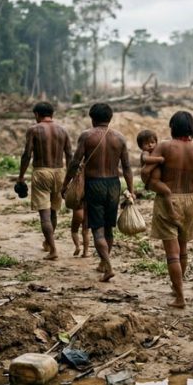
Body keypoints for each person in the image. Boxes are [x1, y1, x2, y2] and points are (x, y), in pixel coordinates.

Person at [63, 103, 135, 281]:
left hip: (94, 184)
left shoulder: (87, 136)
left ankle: (108, 266)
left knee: (97, 229)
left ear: (92, 118)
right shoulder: (120, 138)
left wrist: (66, 183)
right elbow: (126, 167)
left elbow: (74, 162)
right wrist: (131, 190)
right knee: (109, 227)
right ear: (110, 118)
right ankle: (104, 263)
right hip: (113, 184)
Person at [146, 111, 193, 309]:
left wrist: (150, 181)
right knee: (182, 250)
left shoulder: (164, 146)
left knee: (171, 253)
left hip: (169, 199)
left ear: (172, 127)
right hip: (190, 200)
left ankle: (180, 296)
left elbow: (147, 173)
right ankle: (177, 288)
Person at [16, 102, 71, 260]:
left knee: (45, 216)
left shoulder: (34, 129)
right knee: (53, 212)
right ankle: (48, 243)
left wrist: (21, 177)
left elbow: (27, 155)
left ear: (37, 114)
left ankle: (53, 249)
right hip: (60, 172)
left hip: (41, 172)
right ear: (52, 114)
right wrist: (69, 178)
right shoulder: (63, 130)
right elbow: (70, 155)